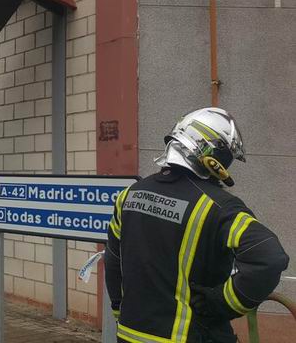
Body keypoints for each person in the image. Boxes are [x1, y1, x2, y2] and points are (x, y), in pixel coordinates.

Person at [104, 107, 289, 343]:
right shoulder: (219, 206)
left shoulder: (129, 195)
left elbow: (112, 259)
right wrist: (223, 303)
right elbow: (270, 259)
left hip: (129, 334)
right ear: (212, 154)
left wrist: (120, 311)